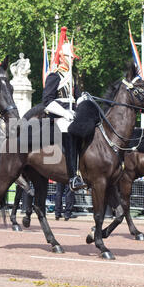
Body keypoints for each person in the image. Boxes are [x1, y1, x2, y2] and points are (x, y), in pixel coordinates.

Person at [42, 26, 84, 192]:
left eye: (72, 57)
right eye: (70, 57)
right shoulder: (55, 76)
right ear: (62, 57)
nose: (72, 60)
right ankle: (72, 176)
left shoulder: (71, 77)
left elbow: (78, 97)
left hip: (71, 115)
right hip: (58, 117)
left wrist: (84, 100)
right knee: (69, 133)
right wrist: (65, 112)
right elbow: (47, 101)